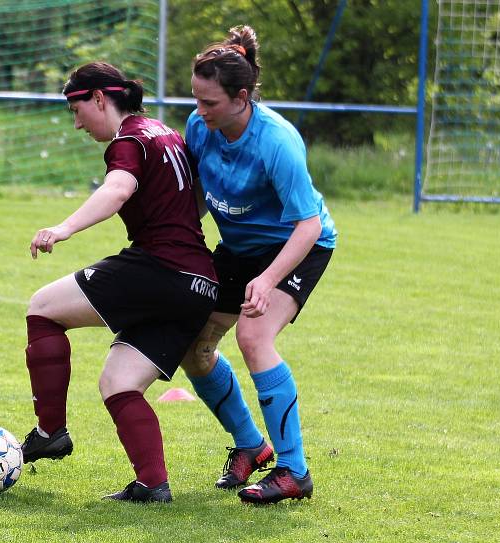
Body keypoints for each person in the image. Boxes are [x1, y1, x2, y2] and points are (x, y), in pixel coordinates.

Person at [20, 61, 218, 504]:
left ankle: (49, 431)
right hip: (199, 284)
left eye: (76, 110)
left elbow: (117, 190)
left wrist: (63, 228)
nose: (76, 124)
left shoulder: (127, 139)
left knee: (42, 308)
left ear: (98, 98)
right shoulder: (164, 133)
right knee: (119, 382)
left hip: (161, 269)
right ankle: (152, 484)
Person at [181, 25, 337, 505]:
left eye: (209, 103)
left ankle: (295, 472)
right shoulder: (199, 127)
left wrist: (267, 281)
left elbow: (307, 225)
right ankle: (252, 446)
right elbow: (203, 200)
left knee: (253, 337)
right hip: (240, 248)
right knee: (195, 347)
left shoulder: (277, 140)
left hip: (297, 246)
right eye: (196, 99)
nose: (199, 110)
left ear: (242, 97)